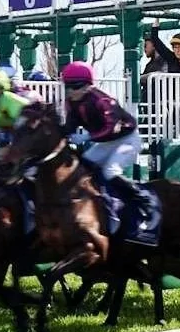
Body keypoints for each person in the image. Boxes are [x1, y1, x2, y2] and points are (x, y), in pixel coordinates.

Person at [59, 61, 159, 246]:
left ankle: (146, 200)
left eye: (76, 86)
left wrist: (87, 136)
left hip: (127, 139)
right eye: (68, 87)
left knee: (110, 171)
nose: (72, 91)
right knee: (82, 168)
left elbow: (112, 128)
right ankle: (101, 203)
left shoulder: (102, 99)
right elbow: (70, 126)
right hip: (104, 143)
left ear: (89, 85)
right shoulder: (71, 103)